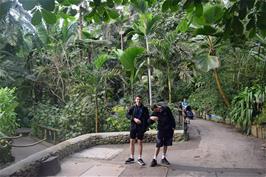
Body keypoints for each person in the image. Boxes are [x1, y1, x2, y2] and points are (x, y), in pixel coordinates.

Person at [125, 95, 149, 166]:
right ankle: (132, 157)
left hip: (141, 128)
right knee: (132, 141)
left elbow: (147, 119)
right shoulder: (132, 108)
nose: (138, 100)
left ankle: (139, 158)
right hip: (133, 127)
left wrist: (145, 127)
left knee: (140, 142)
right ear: (135, 100)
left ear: (141, 100)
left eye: (140, 99)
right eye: (137, 99)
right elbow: (127, 115)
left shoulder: (145, 109)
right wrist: (134, 119)